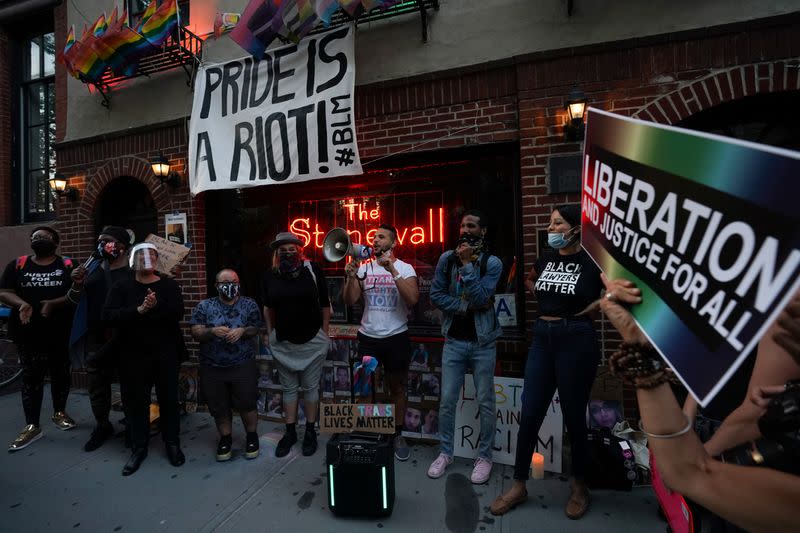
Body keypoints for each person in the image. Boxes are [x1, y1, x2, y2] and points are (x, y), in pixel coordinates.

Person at [600, 277, 800, 532]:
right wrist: (687, 416)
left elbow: (752, 414)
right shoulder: (732, 300)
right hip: (703, 427)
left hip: (737, 439)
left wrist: (698, 455)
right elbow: (710, 367)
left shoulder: (783, 305)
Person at [491, 204, 603, 518]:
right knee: (530, 414)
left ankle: (580, 486)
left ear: (575, 229)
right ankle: (519, 484)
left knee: (573, 417)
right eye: (550, 223)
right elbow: (531, 280)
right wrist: (541, 291)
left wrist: (590, 308)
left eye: (557, 223)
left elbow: (613, 292)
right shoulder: (546, 259)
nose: (551, 229)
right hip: (542, 337)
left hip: (576, 338)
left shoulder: (592, 262)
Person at [427, 210, 502, 483]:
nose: (464, 231)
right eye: (461, 226)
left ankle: (485, 457)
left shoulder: (493, 263)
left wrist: (468, 265)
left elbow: (484, 295)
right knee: (447, 401)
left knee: (486, 401)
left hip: (483, 342)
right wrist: (463, 306)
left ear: (482, 232)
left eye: (471, 226)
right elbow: (435, 295)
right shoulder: (446, 260)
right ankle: (446, 452)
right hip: (454, 341)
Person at [103, 243, 186, 475]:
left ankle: (172, 444)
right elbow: (108, 315)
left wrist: (156, 305)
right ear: (133, 259)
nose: (146, 259)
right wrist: (137, 310)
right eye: (141, 255)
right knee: (136, 403)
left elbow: (177, 314)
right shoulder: (121, 286)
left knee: (169, 400)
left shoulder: (168, 285)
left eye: (151, 255)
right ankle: (139, 448)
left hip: (165, 353)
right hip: (132, 355)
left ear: (157, 259)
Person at [343, 223, 419, 461]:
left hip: (396, 338)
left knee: (397, 388)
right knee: (365, 388)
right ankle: (368, 432)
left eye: (381, 237)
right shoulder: (364, 268)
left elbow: (413, 299)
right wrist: (351, 276)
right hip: (368, 339)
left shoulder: (405, 268)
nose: (374, 240)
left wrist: (392, 271)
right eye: (373, 237)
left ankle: (397, 434)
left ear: (394, 243)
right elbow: (350, 300)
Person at [1, 226, 76, 451]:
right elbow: (4, 291)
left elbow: (76, 294)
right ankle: (32, 425)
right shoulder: (18, 265)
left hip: (60, 332)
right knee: (31, 379)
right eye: (35, 237)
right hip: (27, 333)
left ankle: (59, 412)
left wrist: (54, 304)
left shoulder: (67, 265)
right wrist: (21, 303)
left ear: (55, 242)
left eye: (44, 237)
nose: (39, 240)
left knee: (61, 374)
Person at [262, 232, 330, 457]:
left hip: (312, 341)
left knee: (310, 388)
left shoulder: (313, 270)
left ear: (300, 250)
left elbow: (325, 305)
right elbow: (267, 307)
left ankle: (310, 431)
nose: (288, 252)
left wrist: (325, 334)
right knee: (289, 389)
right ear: (277, 252)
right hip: (283, 343)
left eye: (293, 248)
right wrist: (270, 334)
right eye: (283, 249)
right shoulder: (271, 275)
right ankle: (290, 432)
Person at [68, 226, 132, 452]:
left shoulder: (134, 270)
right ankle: (102, 425)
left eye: (107, 240)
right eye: (99, 240)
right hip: (97, 336)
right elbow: (74, 299)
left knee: (130, 383)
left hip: (126, 337)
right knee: (96, 385)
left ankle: (133, 426)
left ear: (122, 246)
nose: (101, 244)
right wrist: (76, 283)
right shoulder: (92, 267)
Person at [190, 268, 263, 462]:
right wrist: (212, 331)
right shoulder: (204, 306)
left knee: (247, 402)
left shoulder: (249, 304)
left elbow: (256, 328)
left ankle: (252, 436)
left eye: (233, 281)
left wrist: (242, 331)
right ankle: (225, 438)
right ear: (216, 285)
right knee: (219, 405)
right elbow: (195, 331)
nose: (230, 285)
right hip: (212, 366)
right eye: (225, 282)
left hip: (242, 363)